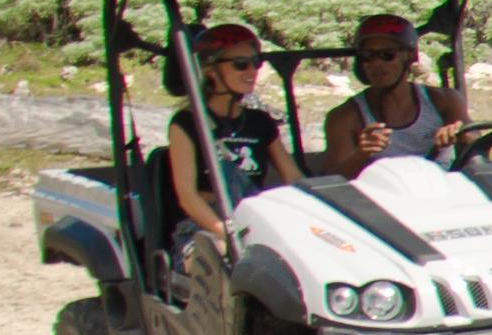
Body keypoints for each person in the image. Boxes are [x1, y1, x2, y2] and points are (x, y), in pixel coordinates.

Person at [159, 22, 291, 248]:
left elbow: (293, 176)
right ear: (210, 69)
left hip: (252, 221)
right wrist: (227, 234)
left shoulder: (260, 122)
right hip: (204, 228)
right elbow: (188, 197)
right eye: (241, 64)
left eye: (256, 63)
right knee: (223, 257)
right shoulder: (187, 123)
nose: (252, 71)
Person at [318, 12, 462, 174]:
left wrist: (456, 133)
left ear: (409, 56)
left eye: (388, 55)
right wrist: (362, 153)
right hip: (381, 195)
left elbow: (474, 148)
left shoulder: (444, 101)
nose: (377, 64)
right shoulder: (344, 117)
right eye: (368, 56)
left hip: (444, 193)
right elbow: (333, 181)